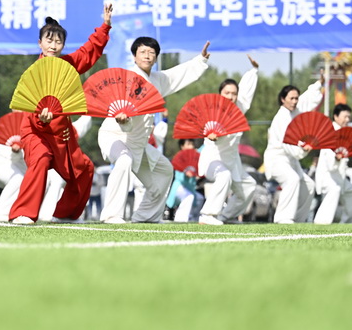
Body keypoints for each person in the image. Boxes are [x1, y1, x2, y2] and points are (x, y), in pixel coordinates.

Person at [8, 6, 112, 225]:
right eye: (49, 40)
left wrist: (105, 26)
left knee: (84, 169)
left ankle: (65, 213)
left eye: (58, 42)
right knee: (41, 158)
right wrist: (40, 119)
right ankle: (23, 213)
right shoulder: (34, 72)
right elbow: (29, 110)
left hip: (62, 135)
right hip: (35, 132)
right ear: (40, 43)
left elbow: (89, 51)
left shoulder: (68, 65)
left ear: (63, 45)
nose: (53, 46)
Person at [98, 37, 211, 224]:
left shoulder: (157, 80)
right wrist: (123, 120)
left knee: (165, 170)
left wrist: (200, 60)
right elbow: (120, 110)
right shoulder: (128, 80)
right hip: (115, 135)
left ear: (156, 58)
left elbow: (177, 75)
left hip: (138, 142)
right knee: (124, 160)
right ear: (134, 57)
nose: (147, 56)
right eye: (143, 52)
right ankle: (111, 215)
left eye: (152, 53)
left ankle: (145, 216)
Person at [197, 57, 261, 225]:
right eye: (227, 93)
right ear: (220, 94)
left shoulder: (239, 108)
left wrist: (254, 71)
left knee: (249, 187)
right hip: (213, 159)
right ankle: (207, 215)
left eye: (234, 93)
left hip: (233, 161)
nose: (231, 96)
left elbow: (247, 92)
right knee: (224, 176)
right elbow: (209, 127)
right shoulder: (213, 111)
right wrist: (212, 135)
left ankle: (228, 216)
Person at [263, 78, 323, 224]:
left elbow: (308, 99)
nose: (295, 101)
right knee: (292, 179)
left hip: (291, 159)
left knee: (309, 185)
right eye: (291, 98)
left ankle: (298, 219)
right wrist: (303, 150)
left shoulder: (296, 109)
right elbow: (288, 144)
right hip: (277, 158)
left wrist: (320, 82)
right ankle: (283, 218)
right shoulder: (280, 119)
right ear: (283, 99)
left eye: (296, 98)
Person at [313, 98, 352, 224]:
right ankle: (321, 223)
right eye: (344, 117)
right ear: (335, 116)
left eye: (349, 117)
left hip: (340, 176)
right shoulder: (329, 132)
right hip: (328, 175)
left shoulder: (347, 131)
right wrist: (336, 159)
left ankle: (348, 221)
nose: (347, 120)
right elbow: (329, 163)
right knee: (334, 190)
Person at [167, 139, 203, 222]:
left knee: (200, 198)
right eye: (188, 144)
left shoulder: (195, 156)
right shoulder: (180, 157)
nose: (191, 146)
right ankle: (180, 219)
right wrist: (185, 174)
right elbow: (179, 176)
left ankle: (193, 218)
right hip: (179, 187)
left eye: (192, 144)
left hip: (190, 188)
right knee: (189, 197)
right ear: (182, 146)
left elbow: (204, 150)